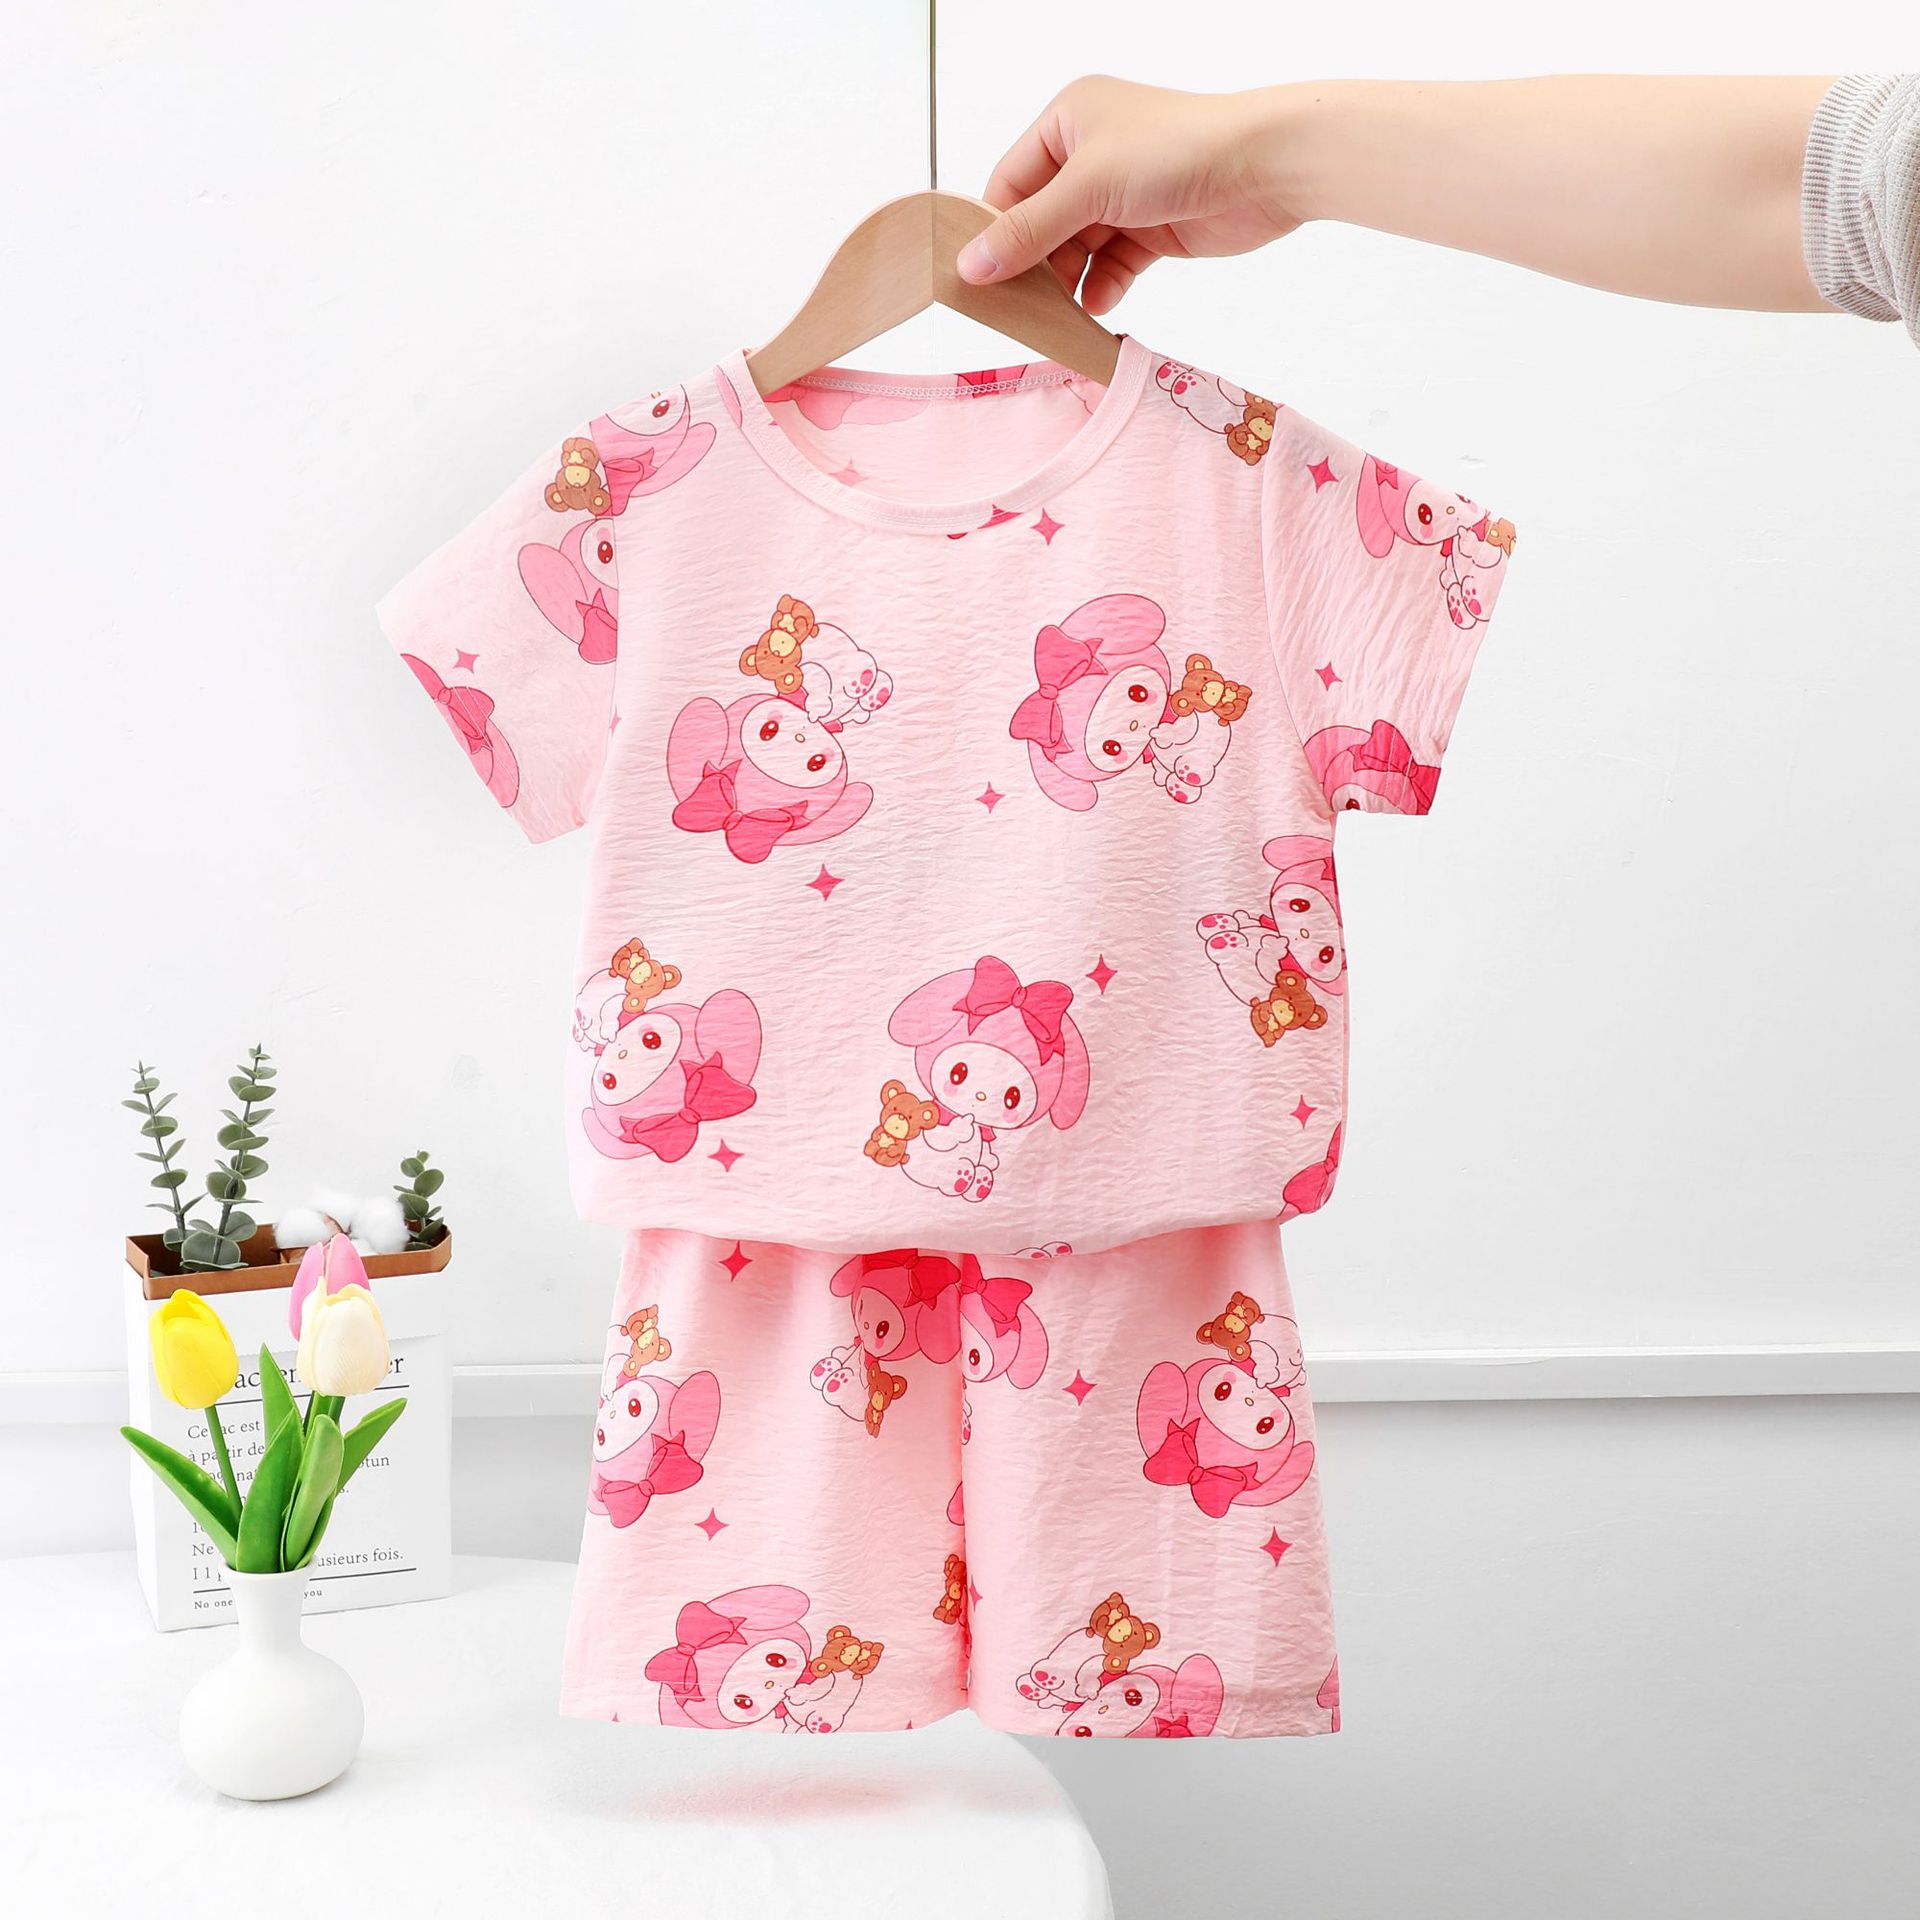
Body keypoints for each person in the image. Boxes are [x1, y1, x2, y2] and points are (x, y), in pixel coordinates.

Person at [956, 75, 1918, 345]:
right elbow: (1864, 192)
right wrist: (1266, 163)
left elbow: (1861, 193)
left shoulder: (1253, 500)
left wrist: (1268, 160)